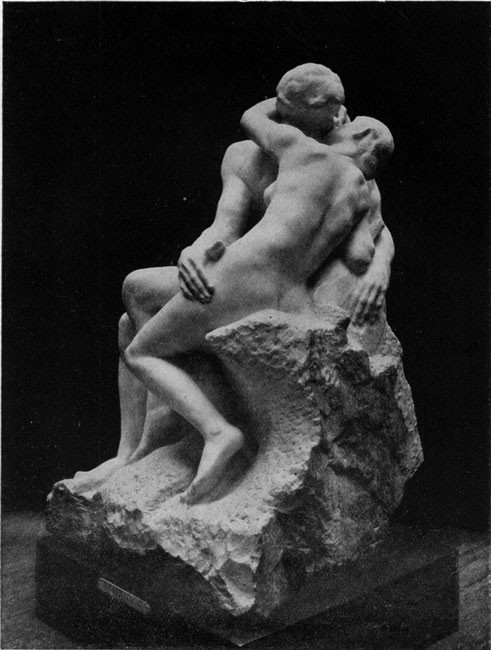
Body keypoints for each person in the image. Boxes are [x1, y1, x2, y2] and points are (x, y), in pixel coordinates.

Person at [63, 64, 394, 495]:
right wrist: (196, 250)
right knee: (132, 314)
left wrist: (382, 266)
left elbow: (252, 117)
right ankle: (132, 454)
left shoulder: (298, 148)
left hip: (243, 277)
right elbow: (231, 226)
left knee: (140, 336)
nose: (344, 117)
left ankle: (212, 428)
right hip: (282, 290)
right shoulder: (354, 183)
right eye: (339, 109)